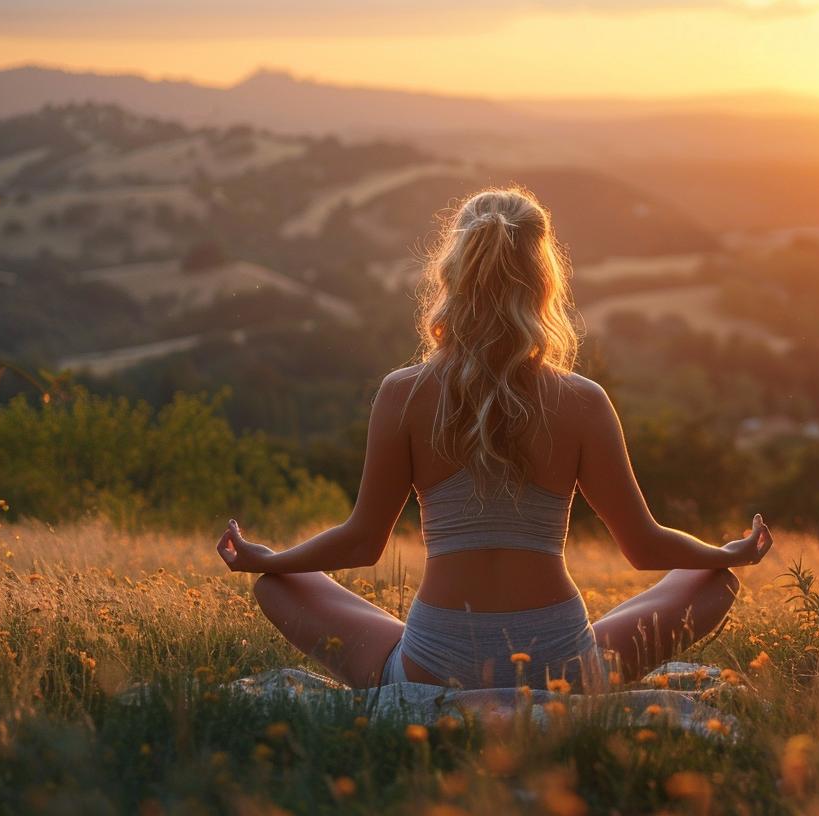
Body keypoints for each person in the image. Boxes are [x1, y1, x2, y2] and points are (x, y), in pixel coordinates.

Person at [216, 186, 773, 692]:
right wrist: (725, 553)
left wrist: (274, 558)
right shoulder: (582, 399)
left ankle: (404, 668)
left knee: (275, 585)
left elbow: (362, 543)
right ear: (543, 280)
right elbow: (645, 547)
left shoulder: (403, 393)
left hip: (436, 664)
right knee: (713, 581)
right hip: (562, 666)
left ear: (453, 274)